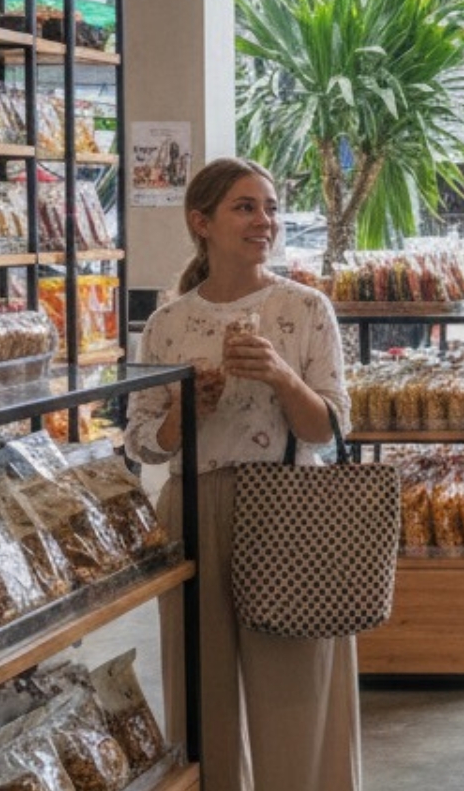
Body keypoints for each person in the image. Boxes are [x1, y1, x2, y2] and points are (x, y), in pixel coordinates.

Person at [123, 158, 360, 791]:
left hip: (286, 504)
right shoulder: (168, 325)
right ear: (200, 222)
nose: (266, 221)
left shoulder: (305, 308)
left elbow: (331, 431)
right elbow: (143, 444)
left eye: (272, 207)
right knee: (200, 692)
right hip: (192, 507)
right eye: (246, 207)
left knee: (297, 687)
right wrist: (183, 416)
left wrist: (280, 376)